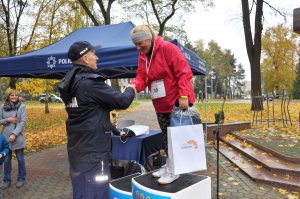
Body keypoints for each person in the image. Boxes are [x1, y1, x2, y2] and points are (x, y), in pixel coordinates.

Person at [57, 41, 136, 199]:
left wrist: (115, 130)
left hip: (78, 150)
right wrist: (131, 88)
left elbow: (89, 114)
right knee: (97, 192)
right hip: (94, 153)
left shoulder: (71, 83)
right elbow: (122, 101)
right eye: (94, 54)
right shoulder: (89, 83)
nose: (97, 57)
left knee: (81, 191)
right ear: (85, 58)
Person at [130, 24, 195, 184]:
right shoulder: (142, 56)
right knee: (166, 138)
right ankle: (169, 165)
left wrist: (184, 95)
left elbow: (183, 71)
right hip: (161, 104)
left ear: (149, 38)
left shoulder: (168, 48)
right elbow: (141, 76)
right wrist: (133, 86)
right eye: (136, 45)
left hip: (176, 102)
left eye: (140, 43)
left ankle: (175, 170)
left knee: (176, 138)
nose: (138, 47)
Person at [0, 89, 27, 189]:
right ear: (8, 96)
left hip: (18, 137)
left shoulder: (22, 106)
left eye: (16, 95)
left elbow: (22, 122)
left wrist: (14, 134)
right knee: (6, 160)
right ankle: (7, 180)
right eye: (12, 95)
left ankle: (21, 179)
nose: (14, 97)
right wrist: (8, 119)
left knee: (20, 158)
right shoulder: (3, 106)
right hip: (5, 138)